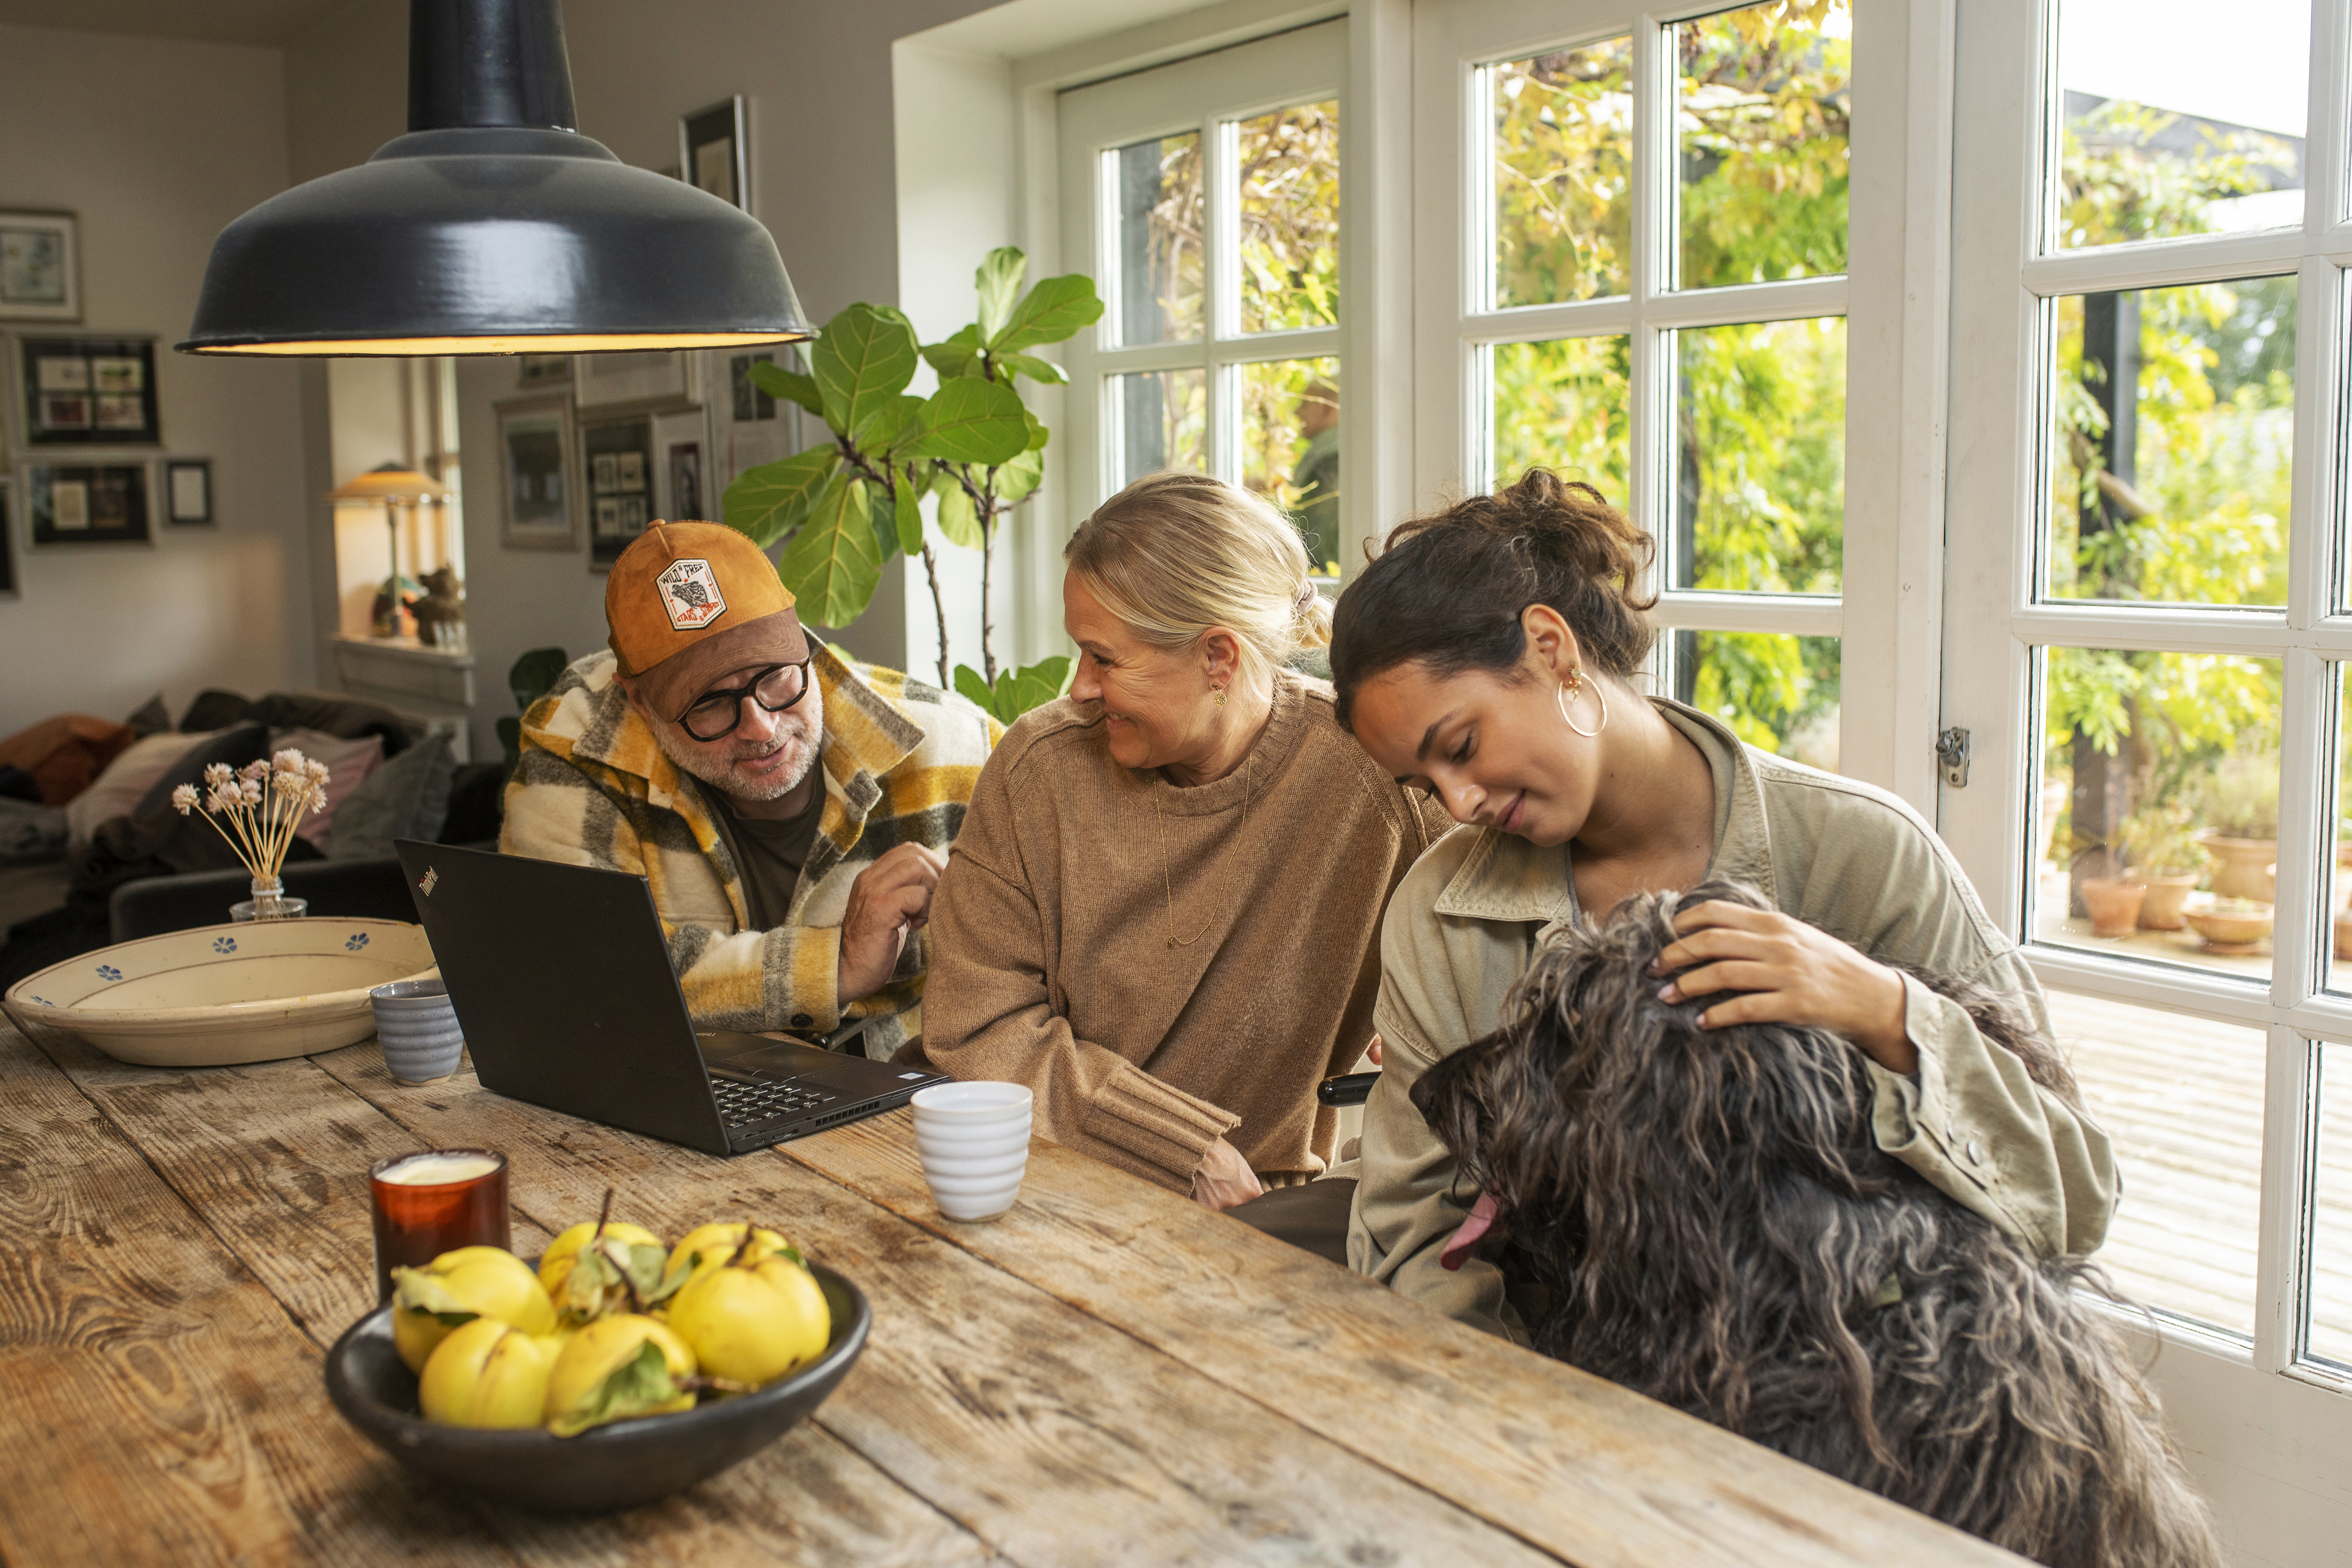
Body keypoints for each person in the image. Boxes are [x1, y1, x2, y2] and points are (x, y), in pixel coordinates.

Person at [1325, 469, 2119, 1338]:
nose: (1460, 802)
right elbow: (1413, 1236)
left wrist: (1886, 1012)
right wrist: (1520, 1421)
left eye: (1463, 747)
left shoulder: (1865, 855)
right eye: (1425, 782)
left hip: (1847, 1376)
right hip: (1548, 1376)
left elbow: (2072, 1200)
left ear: (1551, 650)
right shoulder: (1439, 910)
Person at [924, 472, 1451, 1220]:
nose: (1078, 687)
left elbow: (1535, 898)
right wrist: (1180, 1145)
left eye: (1104, 659)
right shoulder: (1038, 768)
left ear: (1218, 659)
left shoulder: (1374, 776)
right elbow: (975, 1026)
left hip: (1255, 1217)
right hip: (1038, 1183)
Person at [502, 519, 999, 1059]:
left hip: (902, 1108)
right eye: (710, 703)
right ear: (641, 703)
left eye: (775, 676)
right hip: (674, 1091)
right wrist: (833, 965)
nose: (761, 728)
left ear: (803, 641)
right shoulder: (578, 749)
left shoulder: (958, 747)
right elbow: (576, 968)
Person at [1289, 379, 1341, 573]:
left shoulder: (1330, 459)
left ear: (1328, 409)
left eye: (1305, 404)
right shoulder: (1327, 454)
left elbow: (1318, 539)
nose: (1297, 413)